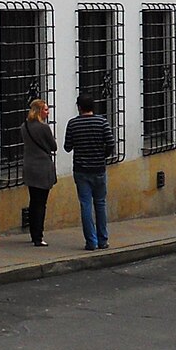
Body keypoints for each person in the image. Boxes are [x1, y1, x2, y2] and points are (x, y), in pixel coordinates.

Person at [65, 97, 114, 249]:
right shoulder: (102, 122)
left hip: (81, 169)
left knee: (85, 204)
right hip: (99, 168)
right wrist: (102, 156)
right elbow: (111, 143)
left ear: (79, 107)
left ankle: (91, 242)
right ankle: (103, 240)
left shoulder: (73, 123)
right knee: (100, 204)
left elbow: (67, 147)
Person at [22, 99, 59, 247]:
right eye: (45, 109)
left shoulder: (24, 126)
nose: (48, 112)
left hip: (29, 167)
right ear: (38, 111)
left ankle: (33, 234)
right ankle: (38, 236)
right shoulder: (44, 128)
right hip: (42, 167)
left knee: (33, 201)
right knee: (41, 204)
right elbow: (53, 146)